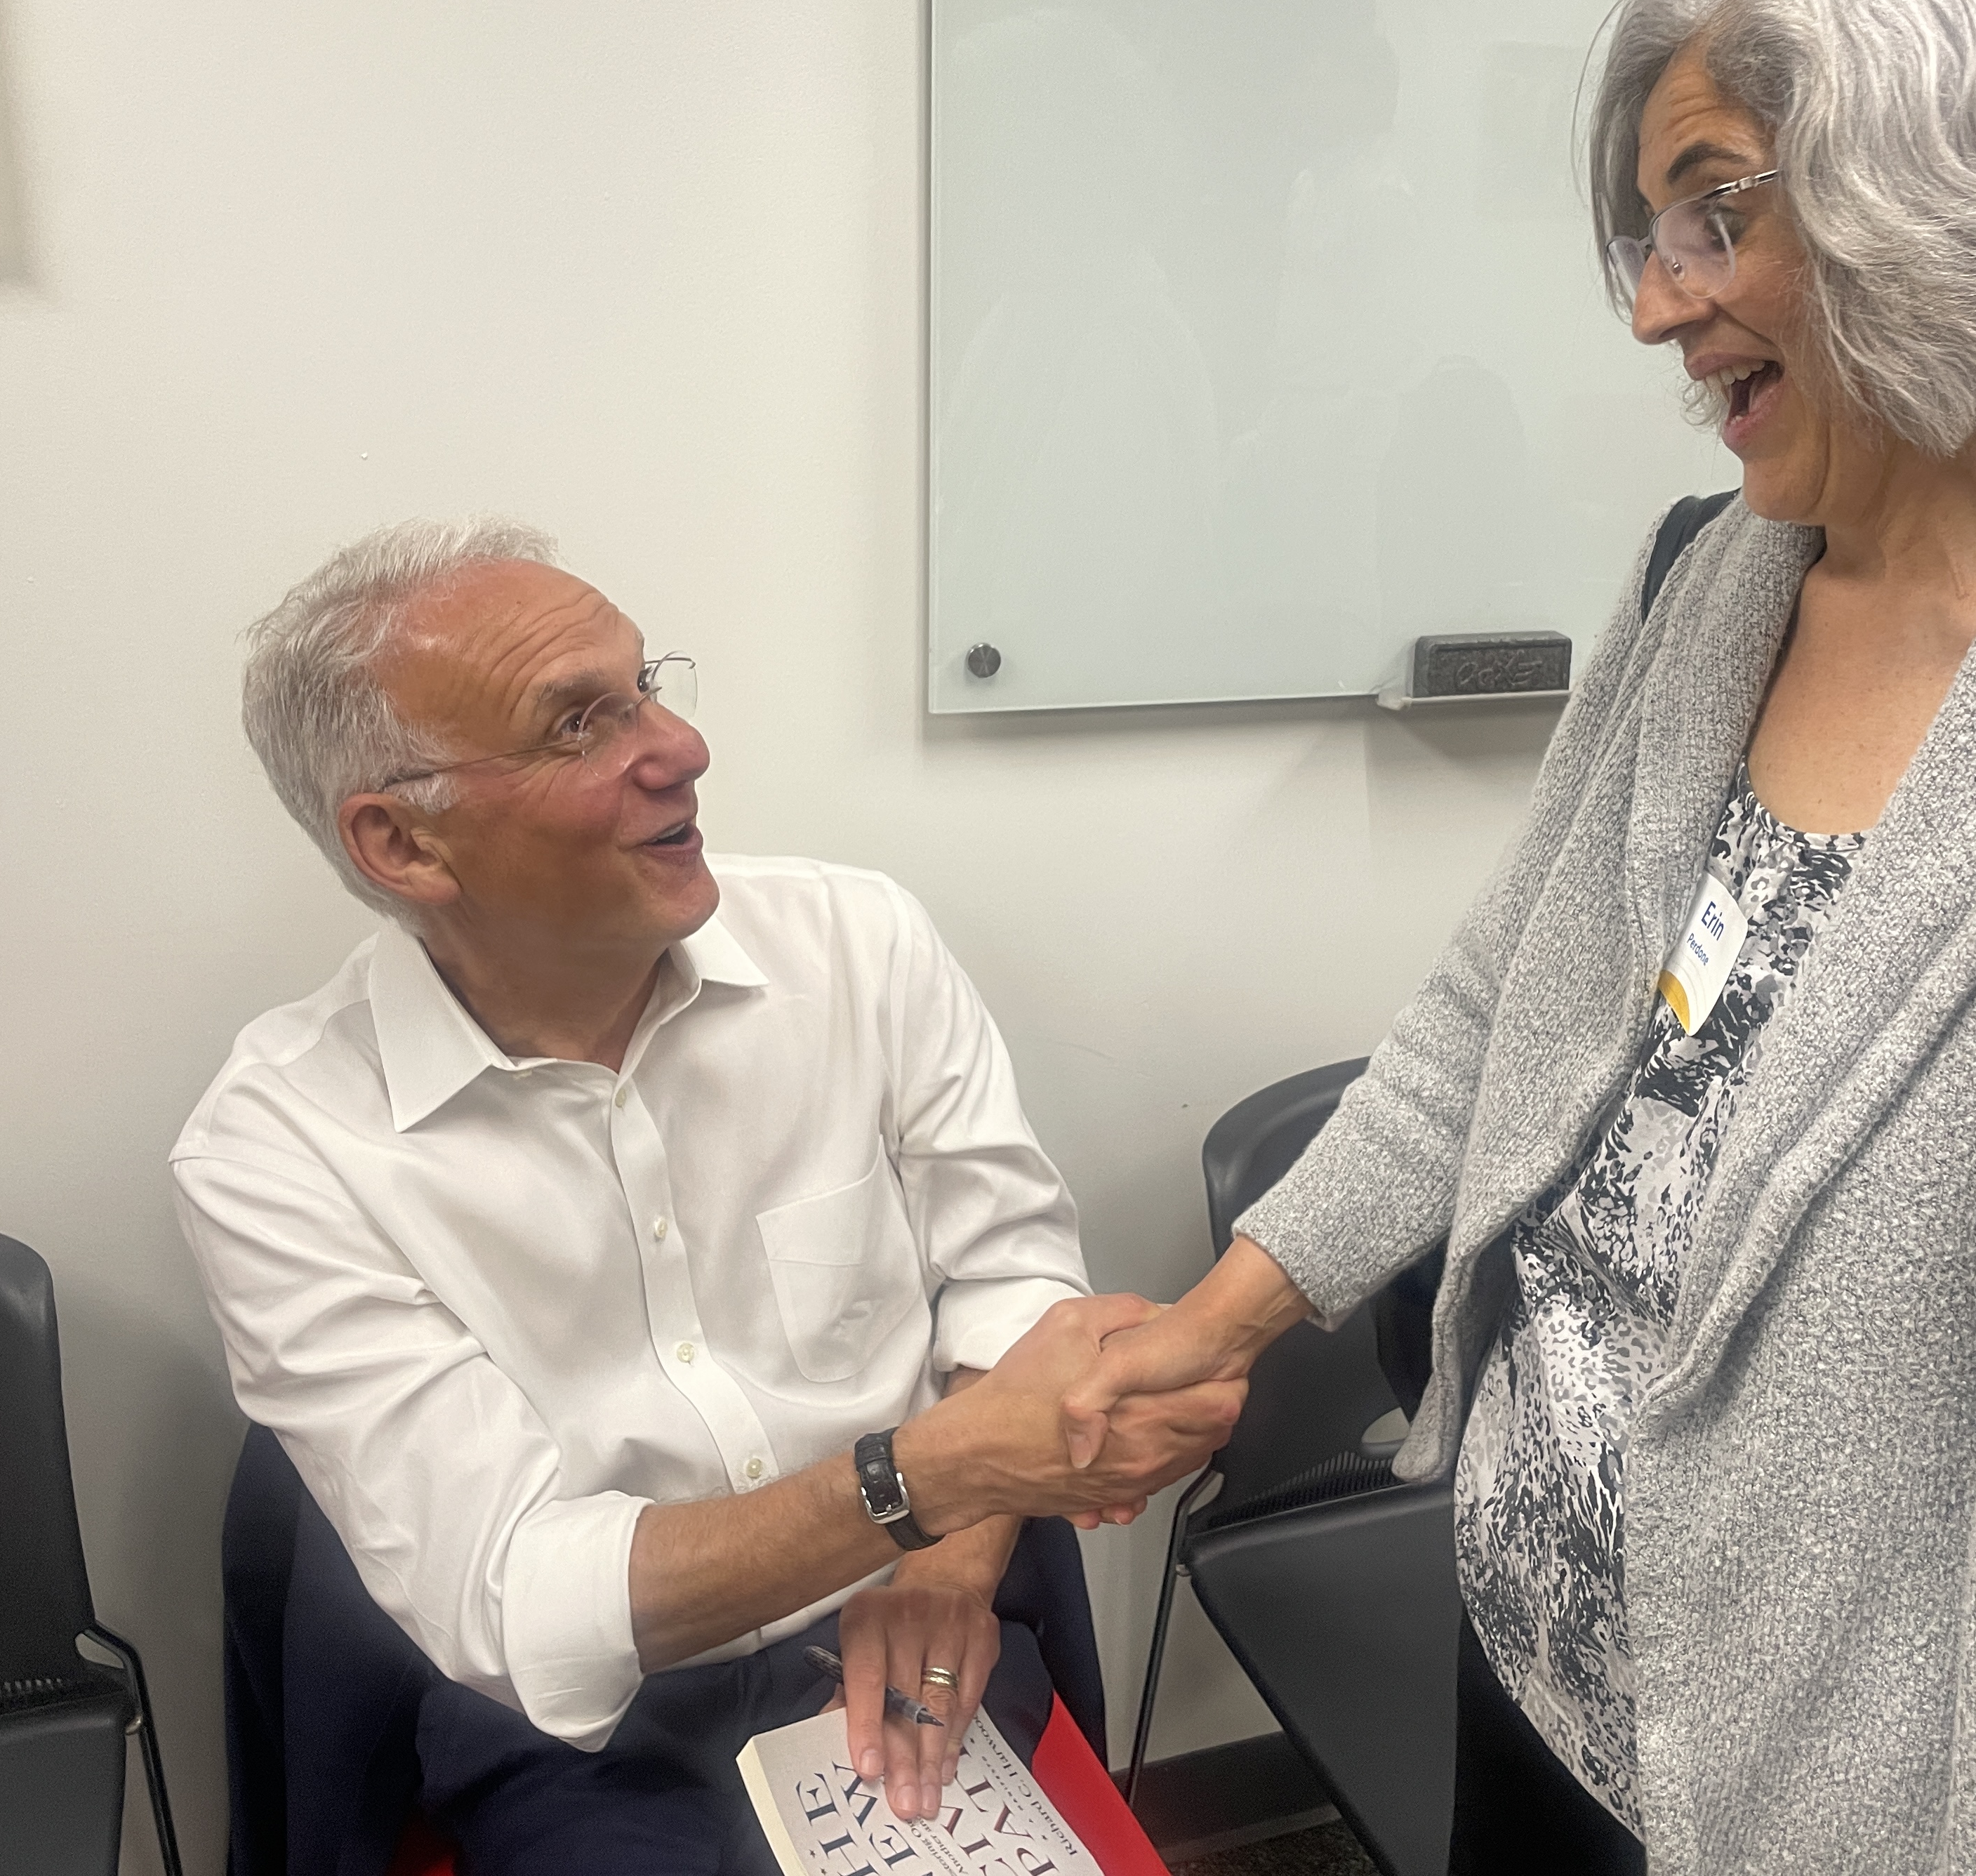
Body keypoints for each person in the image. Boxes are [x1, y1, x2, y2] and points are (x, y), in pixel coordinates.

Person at [1064, 0, 1976, 1875]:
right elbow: (1496, 1018)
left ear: (1935, 194)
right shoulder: (1710, 580)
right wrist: (1225, 1318)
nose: (1654, 306)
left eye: (1715, 216)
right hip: (1531, 1676)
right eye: (1650, 236)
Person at [174, 518, 1238, 1874]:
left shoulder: (855, 945)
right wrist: (942, 1473)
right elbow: (517, 1597)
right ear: (403, 843)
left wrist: (947, 1561)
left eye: (644, 687)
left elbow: (1010, 1279)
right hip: (588, 1729)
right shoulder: (279, 1148)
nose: (680, 749)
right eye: (576, 725)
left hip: (917, 1603)